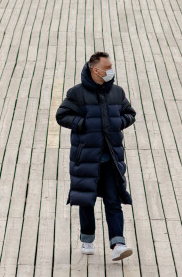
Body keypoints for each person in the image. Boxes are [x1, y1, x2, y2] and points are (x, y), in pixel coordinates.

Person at [55, 51, 136, 261]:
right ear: (95, 70)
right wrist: (82, 124)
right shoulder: (77, 93)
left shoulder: (117, 93)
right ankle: (87, 238)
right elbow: (62, 115)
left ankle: (118, 242)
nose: (110, 71)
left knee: (113, 199)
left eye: (111, 67)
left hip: (111, 158)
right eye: (107, 68)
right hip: (86, 157)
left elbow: (130, 113)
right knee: (86, 200)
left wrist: (119, 122)